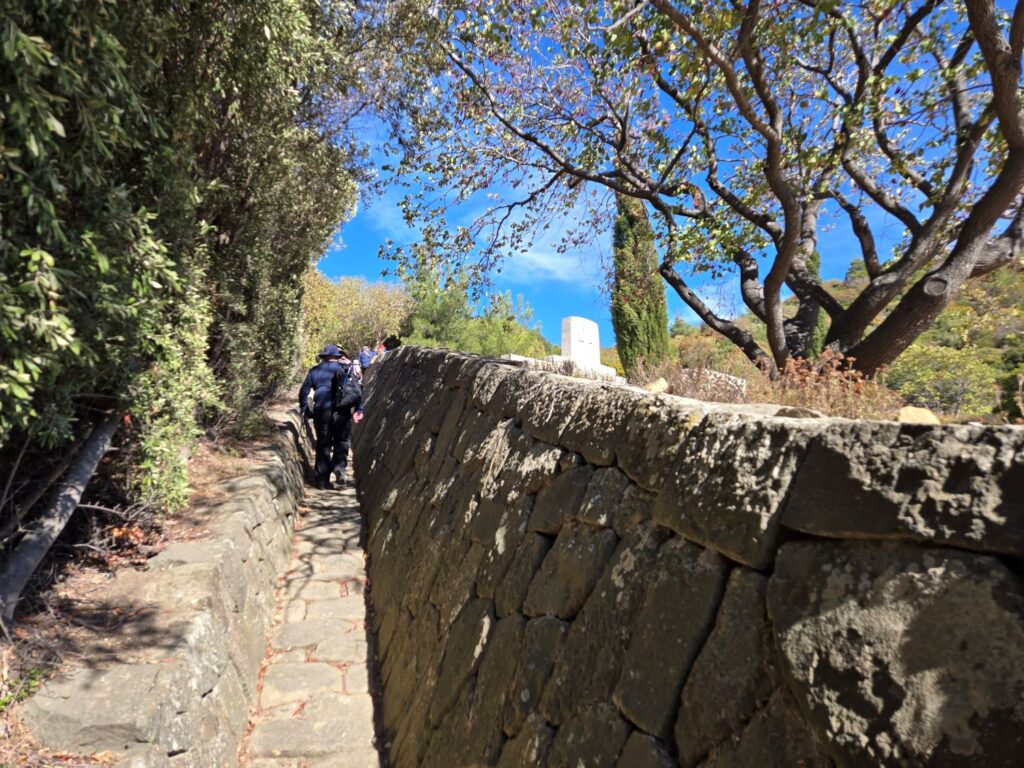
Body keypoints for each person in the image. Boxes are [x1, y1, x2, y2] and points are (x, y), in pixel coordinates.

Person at [298, 345, 357, 489]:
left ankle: (321, 480)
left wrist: (305, 408)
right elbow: (356, 391)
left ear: (323, 357)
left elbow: (303, 392)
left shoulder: (315, 371)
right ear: (337, 357)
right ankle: (339, 467)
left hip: (322, 411)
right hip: (342, 411)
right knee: (342, 441)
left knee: (323, 443)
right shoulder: (345, 370)